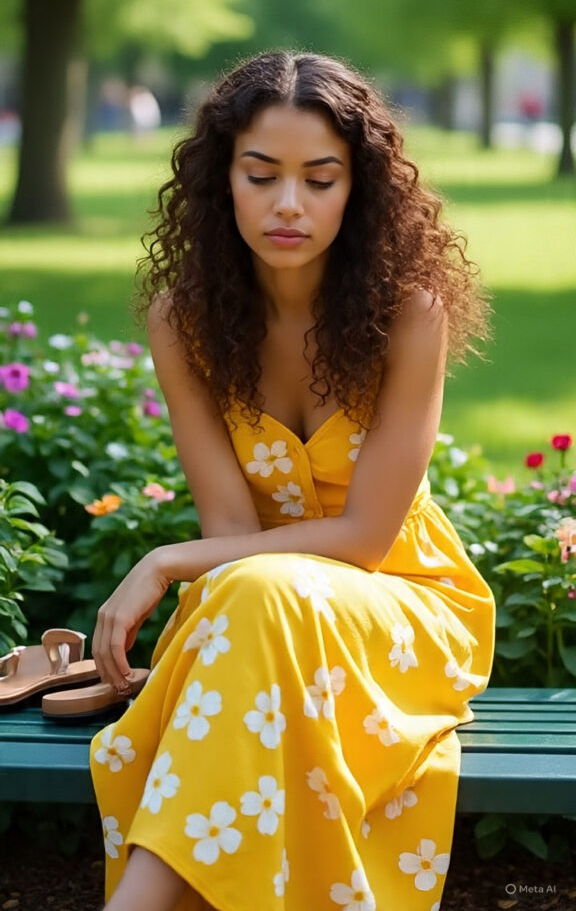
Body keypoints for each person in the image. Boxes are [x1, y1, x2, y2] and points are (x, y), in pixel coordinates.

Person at [90, 51, 495, 911]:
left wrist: (165, 561)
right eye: (261, 174)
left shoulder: (408, 312)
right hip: (259, 606)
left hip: (402, 606)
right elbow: (233, 535)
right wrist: (205, 562)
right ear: (220, 180)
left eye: (320, 179)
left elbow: (366, 539)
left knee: (255, 598)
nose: (287, 205)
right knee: (255, 597)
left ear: (361, 190)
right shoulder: (184, 323)